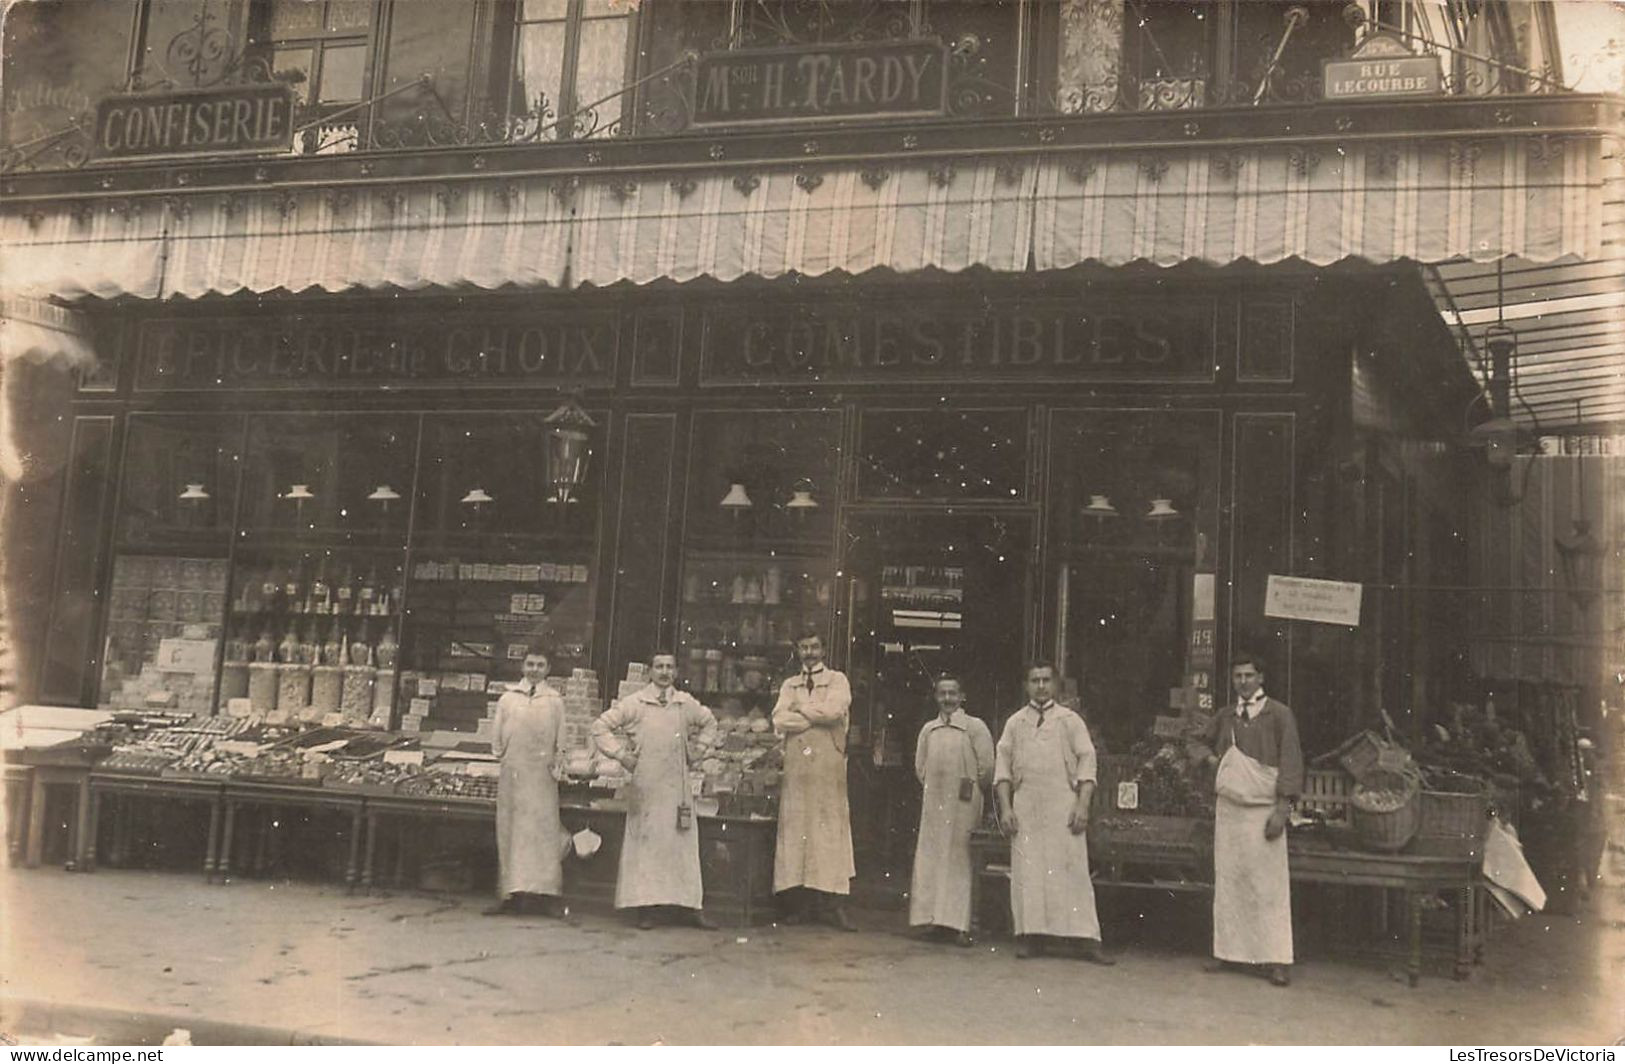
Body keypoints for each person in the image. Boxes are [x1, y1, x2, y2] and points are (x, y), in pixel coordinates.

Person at [993, 662, 1113, 964]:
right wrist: (1006, 808)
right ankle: (1031, 936)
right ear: (1027, 685)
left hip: (1063, 803)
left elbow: (1088, 762)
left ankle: (1086, 939)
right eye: (1035, 680)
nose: (1041, 686)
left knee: (1072, 870)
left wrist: (1082, 804)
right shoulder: (1015, 723)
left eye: (1047, 680)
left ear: (1056, 685)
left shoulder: (1069, 720)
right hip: (1027, 805)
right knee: (1029, 871)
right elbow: (1002, 769)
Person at [591, 651, 720, 930]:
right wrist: (622, 756)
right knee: (647, 844)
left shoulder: (684, 703)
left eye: (669, 667)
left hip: (678, 787)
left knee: (681, 845)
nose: (664, 672)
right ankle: (646, 907)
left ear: (676, 671)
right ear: (650, 671)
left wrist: (698, 750)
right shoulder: (635, 703)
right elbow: (600, 727)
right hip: (647, 786)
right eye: (659, 667)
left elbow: (710, 722)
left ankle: (688, 906)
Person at [1202, 651, 1304, 987]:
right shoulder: (1226, 716)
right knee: (1231, 883)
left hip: (1264, 811)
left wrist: (1282, 810)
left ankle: (1276, 959)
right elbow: (1194, 740)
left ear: (1261, 678)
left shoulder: (1279, 715)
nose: (1243, 681)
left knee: (1268, 889)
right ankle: (1228, 952)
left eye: (1249, 675)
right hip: (1230, 812)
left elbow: (1291, 761)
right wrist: (1209, 759)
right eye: (1237, 676)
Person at [771, 630, 857, 930]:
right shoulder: (789, 684)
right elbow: (780, 720)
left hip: (827, 768)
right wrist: (811, 716)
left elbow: (835, 711)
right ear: (797, 650)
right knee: (797, 830)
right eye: (804, 647)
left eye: (815, 647)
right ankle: (799, 905)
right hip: (797, 767)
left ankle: (832, 906)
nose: (810, 652)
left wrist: (801, 711)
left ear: (823, 649)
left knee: (829, 831)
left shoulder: (837, 680)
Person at [909, 673, 995, 946]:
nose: (947, 699)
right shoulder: (928, 730)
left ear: (962, 697)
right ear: (936, 697)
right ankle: (935, 921)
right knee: (933, 858)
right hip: (935, 804)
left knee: (959, 858)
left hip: (963, 806)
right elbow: (920, 768)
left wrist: (968, 791)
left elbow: (987, 769)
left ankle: (961, 925)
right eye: (942, 694)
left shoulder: (974, 727)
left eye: (952, 693)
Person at [487, 648, 568, 918]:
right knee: (511, 830)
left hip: (542, 776)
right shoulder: (508, 699)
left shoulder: (554, 700)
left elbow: (562, 738)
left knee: (542, 833)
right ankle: (509, 893)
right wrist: (504, 756)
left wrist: (557, 764)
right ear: (522, 666)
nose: (534, 669)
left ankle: (546, 896)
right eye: (530, 664)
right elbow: (497, 736)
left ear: (548, 669)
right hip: (514, 774)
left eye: (540, 664)